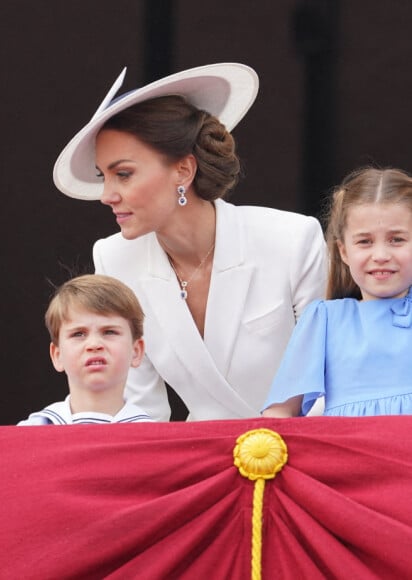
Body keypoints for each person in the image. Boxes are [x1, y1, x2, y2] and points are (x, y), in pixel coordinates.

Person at [52, 64, 327, 421]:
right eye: (102, 176)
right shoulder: (114, 258)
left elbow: (329, 382)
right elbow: (138, 407)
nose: (106, 195)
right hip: (198, 460)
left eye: (123, 174)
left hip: (301, 451)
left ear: (183, 170)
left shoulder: (292, 239)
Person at [262, 167, 412, 417]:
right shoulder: (324, 320)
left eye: (396, 239)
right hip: (347, 454)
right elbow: (280, 414)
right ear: (343, 252)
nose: (381, 256)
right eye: (365, 241)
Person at [17, 274, 153, 425]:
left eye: (109, 332)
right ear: (57, 355)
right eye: (78, 334)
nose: (94, 344)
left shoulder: (155, 439)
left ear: (136, 351)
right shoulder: (28, 433)